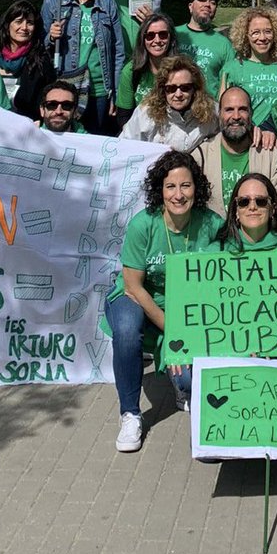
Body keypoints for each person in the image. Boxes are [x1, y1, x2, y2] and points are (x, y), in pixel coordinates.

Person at [102, 151, 221, 451]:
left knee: (190, 383)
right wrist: (174, 330)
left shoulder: (212, 224)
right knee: (127, 331)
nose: (179, 195)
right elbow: (133, 285)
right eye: (171, 187)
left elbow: (221, 283)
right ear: (160, 189)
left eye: (186, 186)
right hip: (137, 298)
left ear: (198, 188)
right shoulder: (144, 224)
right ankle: (130, 413)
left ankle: (182, 385)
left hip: (187, 307)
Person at [40, 0, 124, 134]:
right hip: (65, 89)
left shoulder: (108, 4)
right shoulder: (54, 2)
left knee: (94, 144)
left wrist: (116, 93)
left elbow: (117, 52)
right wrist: (50, 38)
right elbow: (39, 47)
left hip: (100, 91)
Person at [193, 87, 277, 216]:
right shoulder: (201, 156)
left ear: (251, 114)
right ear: (219, 114)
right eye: (229, 110)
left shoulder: (269, 155)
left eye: (242, 109)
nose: (236, 116)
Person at [120, 54, 217, 151]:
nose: (178, 94)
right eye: (171, 88)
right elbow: (124, 146)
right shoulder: (146, 113)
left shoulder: (210, 111)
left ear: (195, 88)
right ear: (162, 89)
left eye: (185, 88)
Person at [223, 6, 277, 124]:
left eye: (268, 32)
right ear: (246, 35)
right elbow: (224, 112)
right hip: (248, 137)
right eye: (255, 33)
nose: (262, 38)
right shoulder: (233, 69)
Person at [0, 0, 56, 117]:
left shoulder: (41, 59)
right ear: (8, 25)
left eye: (30, 23)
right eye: (18, 22)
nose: (24, 27)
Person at [114, 11, 177, 125]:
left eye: (163, 34)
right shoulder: (131, 71)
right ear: (143, 40)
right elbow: (124, 116)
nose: (157, 40)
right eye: (150, 35)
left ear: (171, 38)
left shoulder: (182, 70)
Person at [212, 173, 277, 252]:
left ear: (272, 209)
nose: (252, 207)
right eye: (244, 201)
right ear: (236, 211)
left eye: (261, 201)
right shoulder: (214, 252)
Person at [175, 0, 233, 91]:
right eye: (202, 0)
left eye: (213, 3)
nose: (207, 5)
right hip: (177, 100)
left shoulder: (224, 44)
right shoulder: (174, 34)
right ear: (190, 6)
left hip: (209, 105)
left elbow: (229, 81)